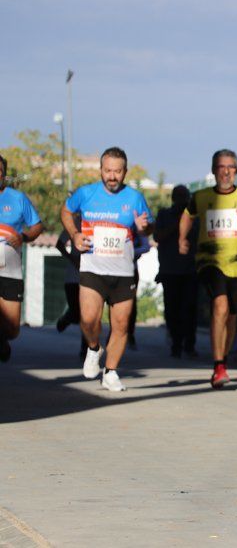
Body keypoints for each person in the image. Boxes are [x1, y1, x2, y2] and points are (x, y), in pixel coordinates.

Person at [60, 147, 154, 392]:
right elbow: (66, 211)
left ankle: (111, 372)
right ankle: (93, 348)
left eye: (117, 171)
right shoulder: (86, 194)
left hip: (123, 271)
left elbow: (147, 228)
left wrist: (143, 227)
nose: (112, 176)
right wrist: (75, 234)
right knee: (89, 319)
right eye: (108, 171)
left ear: (125, 172)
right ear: (101, 170)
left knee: (121, 325)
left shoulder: (134, 197)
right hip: (93, 268)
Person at [180, 150, 237, 388]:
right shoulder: (200, 196)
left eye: (231, 167)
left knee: (231, 315)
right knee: (219, 305)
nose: (226, 171)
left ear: (236, 171)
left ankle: (223, 363)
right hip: (209, 262)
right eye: (221, 167)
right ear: (213, 170)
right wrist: (182, 239)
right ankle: (218, 364)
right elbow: (187, 214)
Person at [0, 153, 43, 362]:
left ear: (4, 175)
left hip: (10, 271)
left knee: (12, 329)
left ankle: (2, 339)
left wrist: (24, 237)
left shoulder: (17, 199)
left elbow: (37, 226)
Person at [155, 185, 198, 358]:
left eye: (185, 197)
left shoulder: (195, 217)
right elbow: (157, 236)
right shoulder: (164, 215)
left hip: (190, 270)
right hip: (170, 271)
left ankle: (189, 344)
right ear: (173, 198)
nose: (182, 201)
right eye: (179, 197)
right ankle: (176, 343)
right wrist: (179, 225)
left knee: (190, 310)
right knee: (172, 310)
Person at [56, 223, 88, 360]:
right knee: (76, 313)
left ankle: (85, 348)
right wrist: (72, 258)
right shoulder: (73, 227)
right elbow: (59, 244)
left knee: (87, 315)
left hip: (91, 277)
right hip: (72, 278)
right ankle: (66, 319)